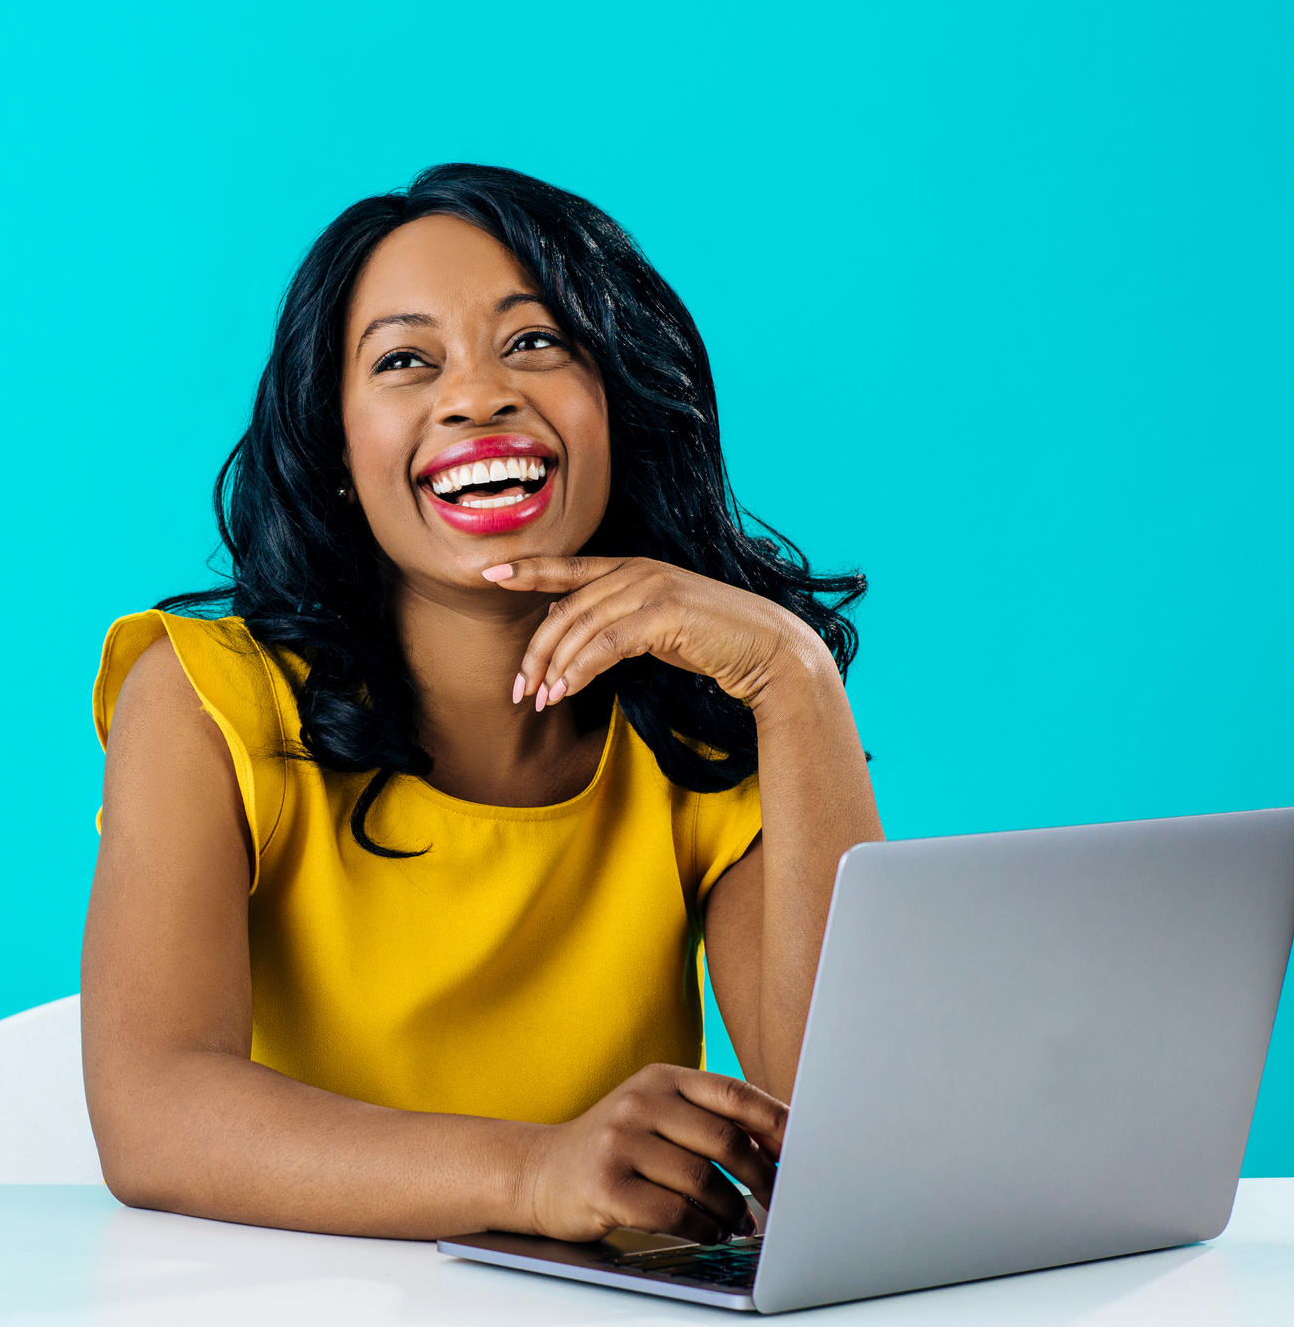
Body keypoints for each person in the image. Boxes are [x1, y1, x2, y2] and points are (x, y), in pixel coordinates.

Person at [81, 164, 881, 1245]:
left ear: (622, 403)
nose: (477, 396)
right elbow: (154, 1118)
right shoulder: (204, 699)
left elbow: (853, 1125)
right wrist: (533, 1173)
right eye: (406, 360)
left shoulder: (697, 731)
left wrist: (796, 681)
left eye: (536, 342)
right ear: (337, 451)